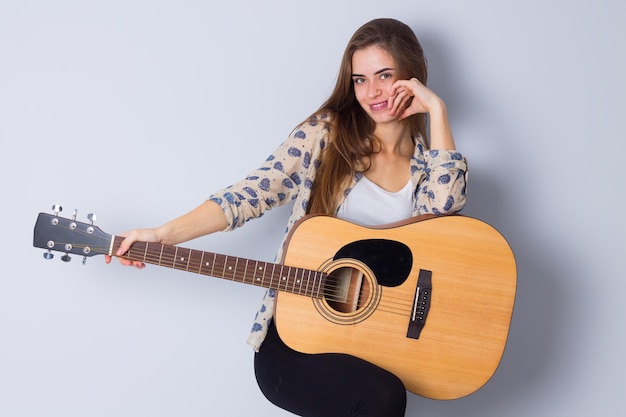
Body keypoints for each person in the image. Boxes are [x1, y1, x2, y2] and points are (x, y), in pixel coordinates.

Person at [105, 18, 467, 417]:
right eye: (360, 80)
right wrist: (162, 234)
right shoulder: (326, 135)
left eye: (384, 75)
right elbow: (248, 195)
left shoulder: (425, 164)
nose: (372, 92)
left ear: (412, 77)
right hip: (296, 340)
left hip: (368, 341)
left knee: (384, 392)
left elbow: (443, 228)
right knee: (383, 397)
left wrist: (437, 111)